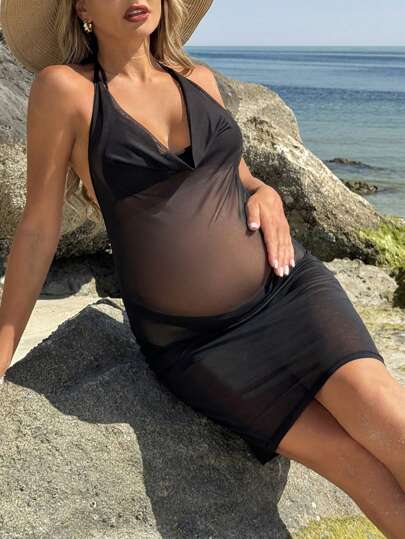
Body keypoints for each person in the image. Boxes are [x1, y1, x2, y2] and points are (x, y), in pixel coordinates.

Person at [1, 1, 404, 535]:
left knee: (389, 422)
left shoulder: (199, 80)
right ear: (82, 8)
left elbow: (237, 177)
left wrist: (266, 193)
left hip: (287, 289)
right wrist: (2, 352)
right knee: (353, 464)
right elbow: (38, 229)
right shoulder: (65, 89)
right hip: (198, 345)